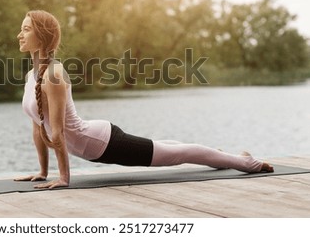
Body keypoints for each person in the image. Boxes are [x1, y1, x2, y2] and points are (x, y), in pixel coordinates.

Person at [14, 10, 274, 189]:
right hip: (90, 144)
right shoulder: (32, 76)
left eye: (26, 29)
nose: (19, 34)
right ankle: (215, 154)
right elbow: (39, 126)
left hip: (100, 142)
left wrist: (64, 178)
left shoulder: (54, 74)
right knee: (167, 146)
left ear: (43, 37)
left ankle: (246, 163)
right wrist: (43, 173)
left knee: (174, 154)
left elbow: (57, 132)